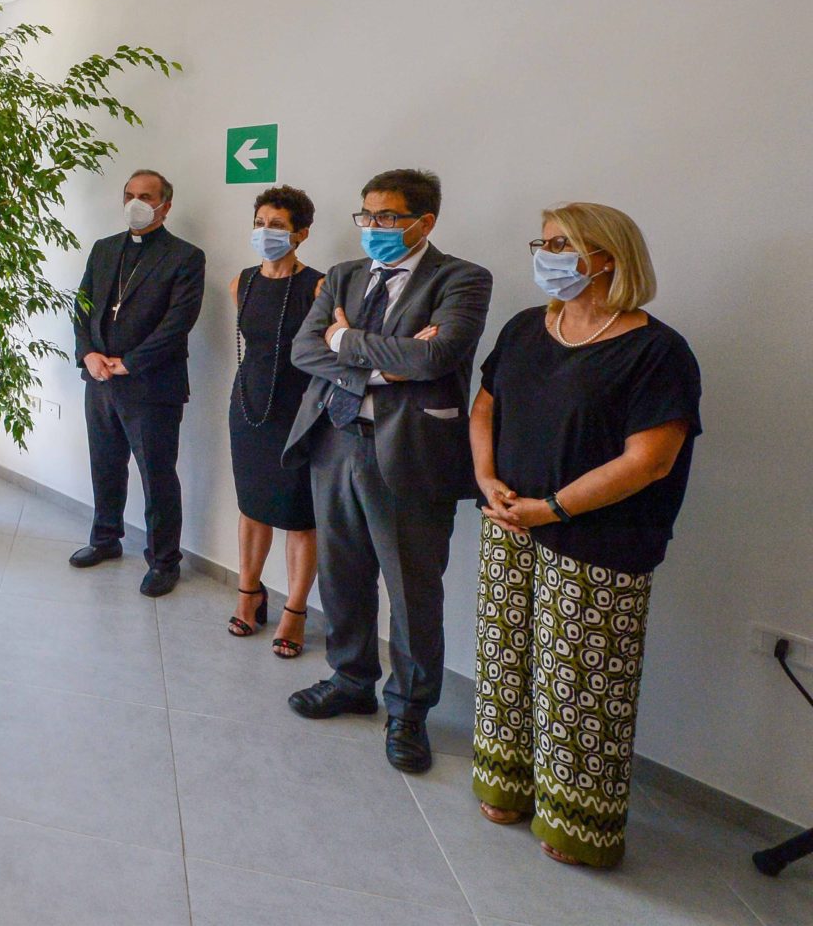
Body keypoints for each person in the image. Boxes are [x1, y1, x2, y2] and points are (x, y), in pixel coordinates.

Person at [470, 203, 701, 868]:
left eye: (562, 244)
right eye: (542, 243)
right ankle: (505, 785)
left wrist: (551, 509)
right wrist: (486, 479)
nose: (547, 256)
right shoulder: (525, 328)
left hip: (600, 543)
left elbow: (649, 461)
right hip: (510, 523)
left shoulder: (657, 352)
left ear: (607, 257)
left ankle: (576, 823)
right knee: (505, 662)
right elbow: (485, 409)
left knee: (581, 684)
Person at [282, 168, 491, 774]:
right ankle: (351, 680)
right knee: (341, 574)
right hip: (334, 438)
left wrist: (346, 341)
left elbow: (436, 356)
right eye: (367, 215)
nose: (373, 226)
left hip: (410, 452)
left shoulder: (462, 279)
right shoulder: (343, 275)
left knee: (411, 589)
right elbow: (304, 349)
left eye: (388, 217)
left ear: (424, 222)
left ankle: (409, 711)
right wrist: (382, 365)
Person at [69, 169, 206, 598]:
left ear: (166, 205)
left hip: (152, 385)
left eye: (146, 196)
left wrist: (130, 363)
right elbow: (82, 307)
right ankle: (105, 538)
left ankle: (164, 561)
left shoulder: (185, 257)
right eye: (129, 194)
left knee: (156, 476)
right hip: (100, 379)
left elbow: (178, 323)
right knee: (104, 464)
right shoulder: (105, 248)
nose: (135, 203)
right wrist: (88, 354)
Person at [226, 185, 324, 657]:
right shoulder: (241, 282)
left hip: (300, 409)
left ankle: (295, 611)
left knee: (300, 515)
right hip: (248, 404)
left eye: (277, 225)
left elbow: (329, 351)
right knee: (252, 506)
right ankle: (249, 593)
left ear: (301, 233)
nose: (265, 232)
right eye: (260, 223)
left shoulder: (319, 286)